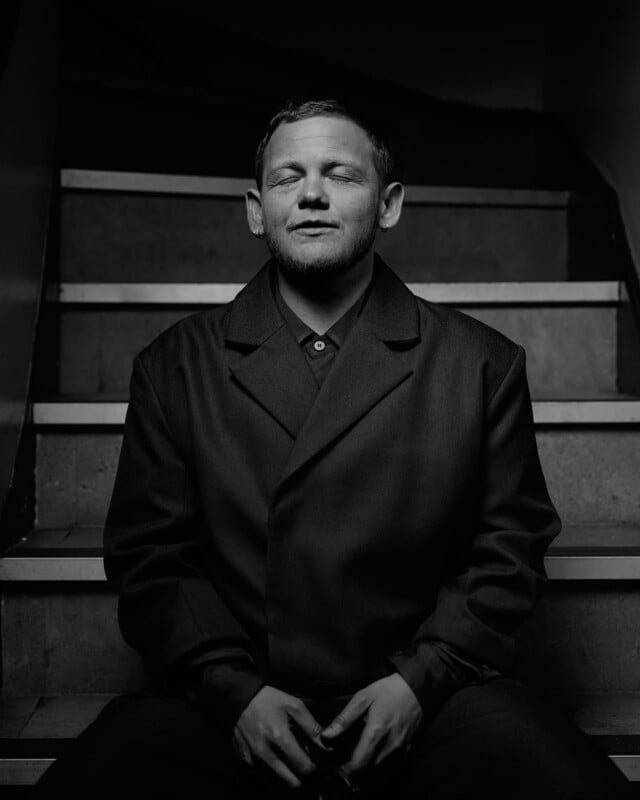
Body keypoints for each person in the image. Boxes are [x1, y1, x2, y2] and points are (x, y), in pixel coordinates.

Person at [34, 99, 633, 799]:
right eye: (288, 177)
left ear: (389, 205)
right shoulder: (174, 366)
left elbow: (511, 550)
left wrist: (420, 682)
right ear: (257, 211)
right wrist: (232, 692)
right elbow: (151, 559)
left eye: (341, 175)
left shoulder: (480, 364)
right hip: (232, 701)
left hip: (426, 697)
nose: (312, 194)